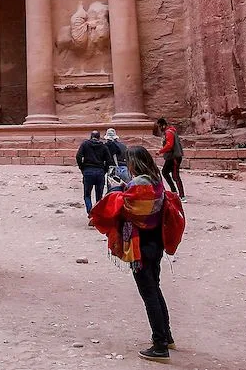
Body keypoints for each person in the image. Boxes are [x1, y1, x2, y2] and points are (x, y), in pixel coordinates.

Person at [88, 146, 184, 362]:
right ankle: (167, 336)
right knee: (155, 289)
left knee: (149, 294)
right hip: (156, 243)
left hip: (141, 245)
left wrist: (115, 191)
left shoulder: (139, 184)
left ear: (135, 162)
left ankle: (160, 346)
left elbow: (127, 207)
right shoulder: (155, 180)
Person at [76, 130, 113, 216]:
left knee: (87, 194)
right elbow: (109, 160)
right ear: (99, 137)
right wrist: (104, 170)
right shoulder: (103, 146)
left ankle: (90, 212)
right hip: (100, 171)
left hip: (88, 171)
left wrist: (82, 168)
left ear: (91, 136)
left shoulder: (85, 144)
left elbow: (78, 156)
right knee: (99, 196)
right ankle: (97, 214)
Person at [156, 118, 185, 199]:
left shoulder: (169, 132)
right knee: (165, 172)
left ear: (163, 125)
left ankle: (182, 196)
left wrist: (160, 151)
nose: (159, 128)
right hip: (171, 157)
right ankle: (174, 190)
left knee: (175, 176)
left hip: (174, 157)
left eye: (160, 126)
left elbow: (169, 145)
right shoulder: (171, 131)